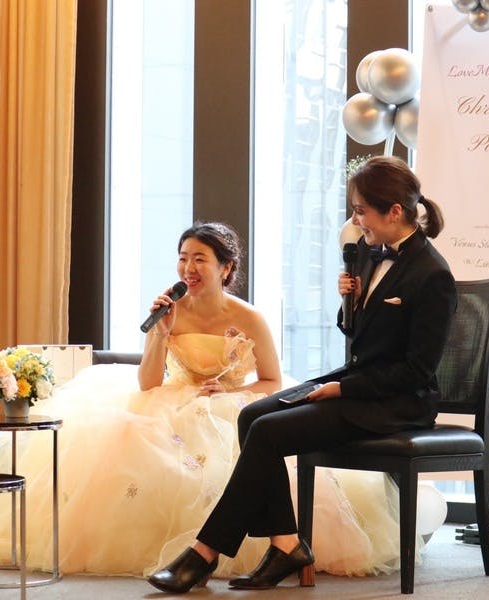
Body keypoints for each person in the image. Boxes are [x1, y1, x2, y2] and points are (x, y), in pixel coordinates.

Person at [0, 222, 407, 578]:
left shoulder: (249, 317)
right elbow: (148, 383)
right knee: (129, 445)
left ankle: (239, 548)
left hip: (231, 403)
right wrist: (160, 335)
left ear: (226, 268)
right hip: (172, 400)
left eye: (200, 259)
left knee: (248, 445)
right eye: (184, 258)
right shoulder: (171, 311)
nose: (189, 268)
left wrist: (233, 391)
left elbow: (271, 381)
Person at [148, 156, 457, 594]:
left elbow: (416, 371)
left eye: (361, 211)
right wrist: (351, 303)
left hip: (397, 402)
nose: (355, 221)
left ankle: (205, 551)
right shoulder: (369, 254)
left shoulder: (433, 274)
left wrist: (341, 388)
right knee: (251, 415)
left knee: (268, 432)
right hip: (360, 383)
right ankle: (286, 543)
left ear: (394, 212)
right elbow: (359, 333)